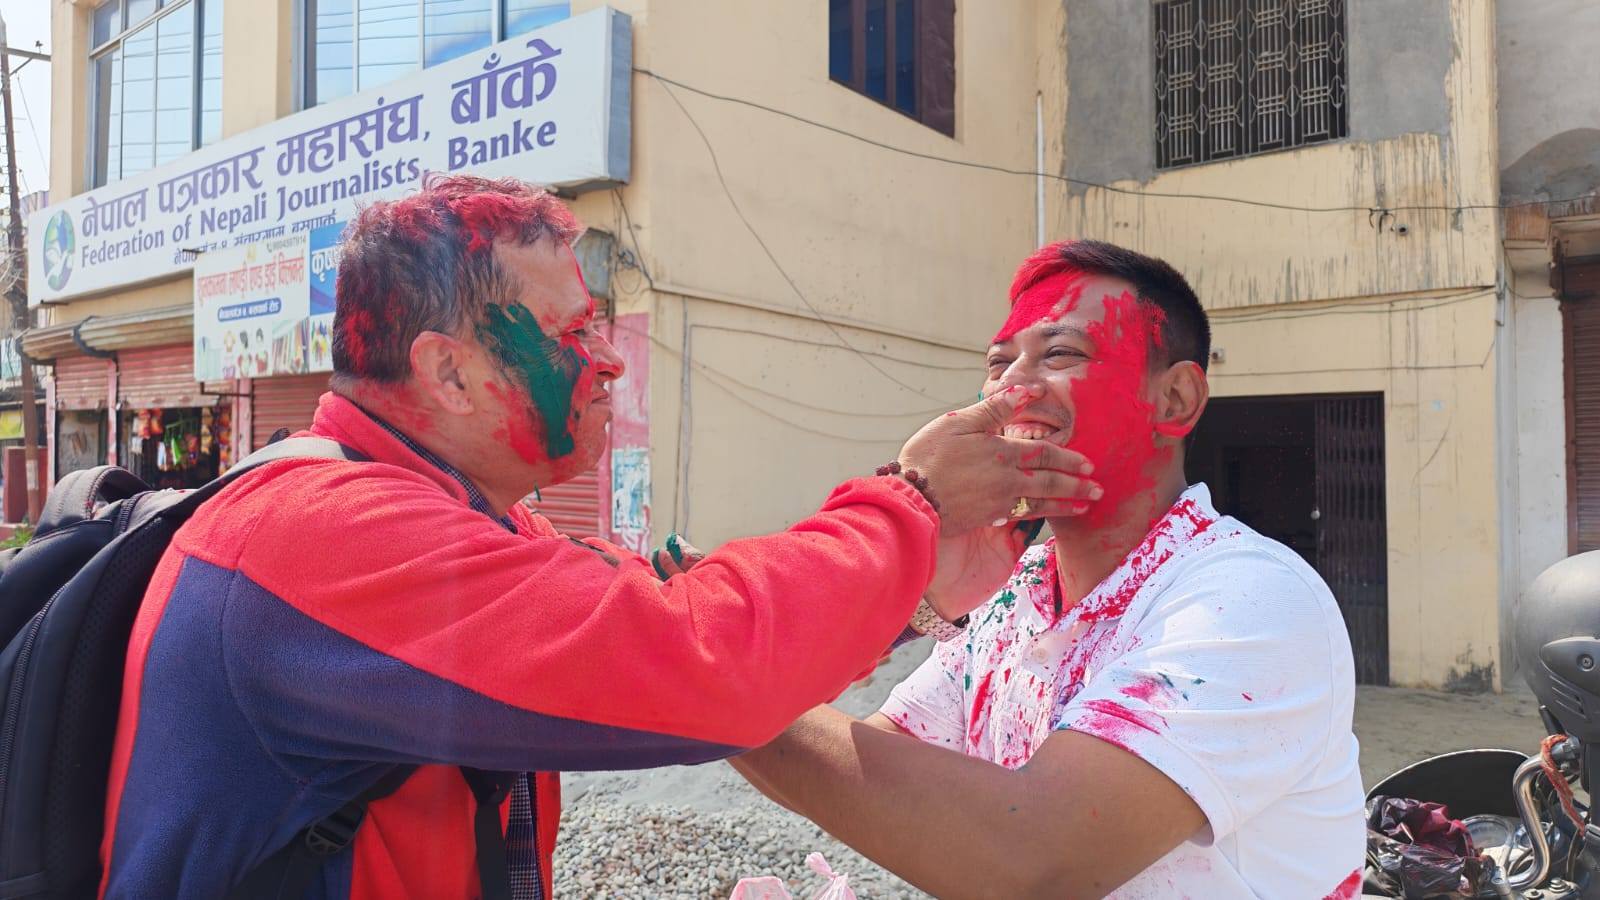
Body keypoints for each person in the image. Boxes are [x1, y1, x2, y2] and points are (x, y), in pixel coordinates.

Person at [96, 176, 1102, 899]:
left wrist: (917, 592)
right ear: (448, 373)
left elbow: (675, 618)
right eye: (575, 336)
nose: (611, 366)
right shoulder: (323, 537)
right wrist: (911, 504)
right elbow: (695, 663)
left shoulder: (470, 517)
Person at [731, 240, 1367, 899]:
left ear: (1175, 399)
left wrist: (705, 678)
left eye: (1059, 354)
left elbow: (1030, 859)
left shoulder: (1250, 600)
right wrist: (904, 582)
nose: (1012, 389)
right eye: (999, 364)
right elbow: (874, 769)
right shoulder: (1017, 594)